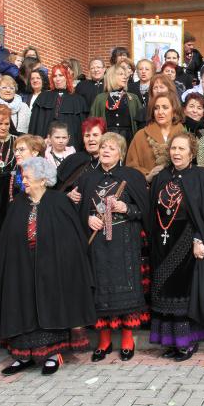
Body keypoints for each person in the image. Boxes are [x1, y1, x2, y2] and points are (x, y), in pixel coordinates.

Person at [0, 157, 96, 376]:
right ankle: (22, 356)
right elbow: (6, 235)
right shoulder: (17, 205)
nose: (23, 181)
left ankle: (51, 355)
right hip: (21, 267)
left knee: (50, 309)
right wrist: (0, 248)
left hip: (52, 269)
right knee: (22, 308)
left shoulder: (59, 202)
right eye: (23, 177)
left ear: (43, 180)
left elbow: (73, 240)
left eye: (27, 177)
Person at [148, 133, 204, 361]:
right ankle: (172, 342)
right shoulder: (162, 177)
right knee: (165, 292)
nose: (176, 153)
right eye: (173, 148)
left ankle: (187, 342)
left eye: (181, 149)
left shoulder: (201, 176)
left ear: (191, 153)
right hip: (164, 241)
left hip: (189, 243)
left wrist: (199, 238)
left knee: (186, 294)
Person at [76, 132, 150, 362]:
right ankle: (104, 340)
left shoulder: (132, 177)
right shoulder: (87, 178)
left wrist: (125, 208)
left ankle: (127, 339)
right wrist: (87, 219)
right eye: (103, 147)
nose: (106, 151)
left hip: (125, 242)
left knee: (127, 289)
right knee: (100, 289)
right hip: (97, 243)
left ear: (121, 152)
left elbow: (144, 212)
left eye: (112, 148)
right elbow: (76, 212)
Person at [126, 93, 186, 182]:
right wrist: (147, 176)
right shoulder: (140, 135)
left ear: (174, 111)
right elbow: (130, 166)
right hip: (149, 190)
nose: (160, 112)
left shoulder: (184, 134)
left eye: (165, 107)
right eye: (156, 108)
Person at [29, 63, 88, 149]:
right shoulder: (43, 97)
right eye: (55, 76)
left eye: (61, 75)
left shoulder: (78, 100)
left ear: (66, 77)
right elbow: (34, 125)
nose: (57, 79)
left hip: (70, 147)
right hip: (45, 145)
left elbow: (80, 130)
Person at [90, 62, 144, 144]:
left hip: (129, 139)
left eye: (125, 74)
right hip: (107, 139)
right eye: (121, 74)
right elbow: (93, 122)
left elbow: (141, 123)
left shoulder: (133, 98)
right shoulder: (100, 98)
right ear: (111, 77)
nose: (125, 77)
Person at [56, 117, 105, 195]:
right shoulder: (73, 159)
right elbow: (56, 189)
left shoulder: (110, 162)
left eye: (95, 135)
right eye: (87, 135)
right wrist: (68, 194)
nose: (91, 139)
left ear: (104, 137)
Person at [182, 92, 204, 168]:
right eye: (191, 106)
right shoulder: (178, 127)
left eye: (199, 108)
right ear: (184, 109)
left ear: (203, 113)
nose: (195, 111)